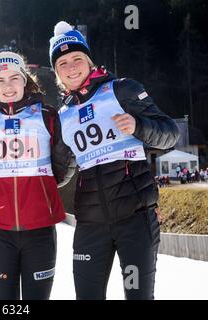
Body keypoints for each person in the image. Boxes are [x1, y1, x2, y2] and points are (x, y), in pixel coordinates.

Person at [49, 21, 180, 300]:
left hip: (135, 219)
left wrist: (138, 126)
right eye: (63, 63)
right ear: (57, 72)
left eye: (77, 59)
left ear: (89, 60)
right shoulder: (63, 116)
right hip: (90, 225)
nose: (71, 67)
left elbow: (169, 135)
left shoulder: (122, 90)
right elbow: (60, 172)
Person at [0, 51, 70, 300]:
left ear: (25, 80)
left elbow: (61, 165)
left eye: (14, 78)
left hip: (40, 229)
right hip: (0, 230)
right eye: (0, 80)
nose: (8, 86)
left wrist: (41, 188)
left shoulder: (47, 116)